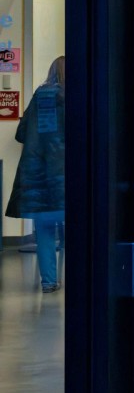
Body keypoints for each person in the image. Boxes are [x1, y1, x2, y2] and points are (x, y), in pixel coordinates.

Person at [7, 56, 66, 293]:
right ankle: (81, 280)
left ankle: (49, 282)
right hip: (69, 175)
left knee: (44, 229)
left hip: (40, 177)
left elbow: (21, 134)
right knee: (78, 228)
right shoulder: (80, 97)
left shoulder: (41, 97)